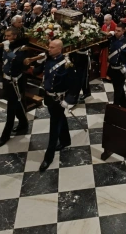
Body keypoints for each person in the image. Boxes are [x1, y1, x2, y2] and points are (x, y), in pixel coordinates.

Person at [34, 39, 73, 171]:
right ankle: (66, 140)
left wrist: (68, 100)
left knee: (54, 126)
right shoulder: (48, 59)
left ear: (59, 49)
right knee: (60, 118)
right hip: (49, 97)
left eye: (52, 47)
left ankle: (48, 157)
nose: (49, 49)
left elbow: (74, 84)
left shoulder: (66, 64)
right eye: (49, 47)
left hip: (59, 99)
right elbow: (36, 72)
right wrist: (39, 60)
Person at [0, 27, 29, 148]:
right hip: (7, 79)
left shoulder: (22, 48)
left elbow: (18, 61)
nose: (6, 38)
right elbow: (4, 63)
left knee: (11, 108)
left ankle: (5, 135)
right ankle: (24, 122)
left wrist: (8, 50)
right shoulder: (7, 46)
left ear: (15, 36)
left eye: (8, 36)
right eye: (5, 36)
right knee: (14, 103)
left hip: (17, 81)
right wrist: (1, 78)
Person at [107, 23, 126, 108]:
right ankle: (124, 107)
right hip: (112, 69)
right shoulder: (112, 39)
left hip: (120, 71)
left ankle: (115, 112)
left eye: (118, 31)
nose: (116, 32)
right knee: (119, 90)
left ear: (123, 31)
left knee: (117, 94)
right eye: (115, 30)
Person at [99, 15, 117, 79]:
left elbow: (117, 35)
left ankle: (110, 76)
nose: (105, 22)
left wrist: (111, 33)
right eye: (104, 20)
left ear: (110, 20)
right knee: (104, 61)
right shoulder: (104, 26)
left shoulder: (115, 26)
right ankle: (104, 75)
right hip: (105, 46)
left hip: (112, 47)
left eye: (106, 20)